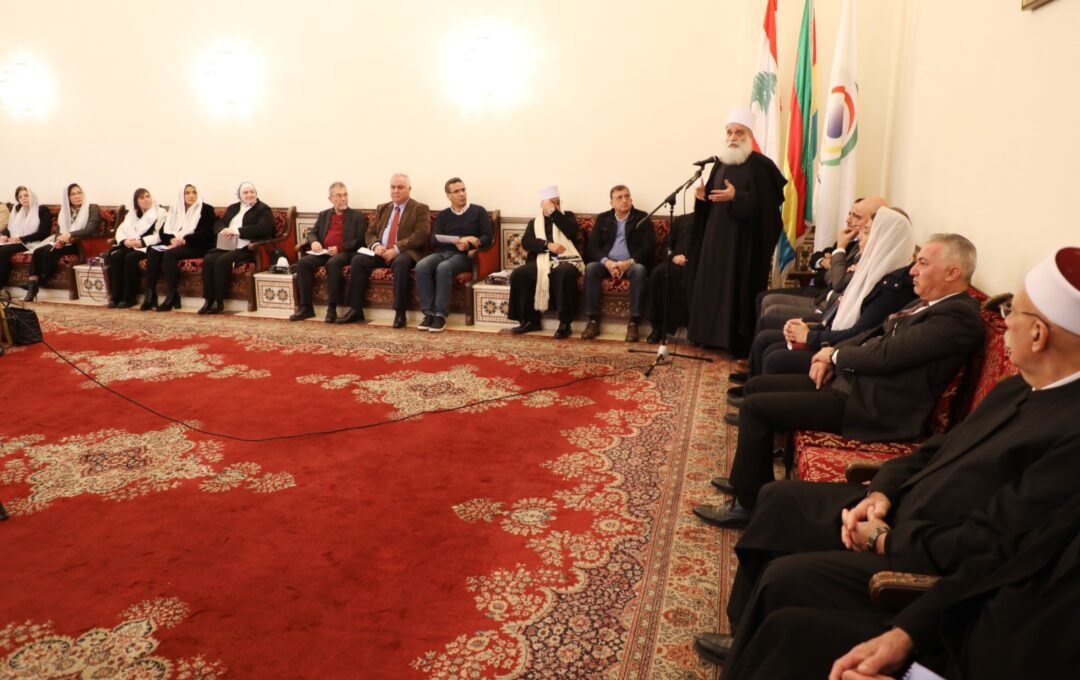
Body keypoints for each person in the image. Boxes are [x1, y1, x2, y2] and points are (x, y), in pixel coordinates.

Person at [693, 246, 1080, 670]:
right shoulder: (1017, 388)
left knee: (783, 582)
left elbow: (992, 541)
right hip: (896, 507)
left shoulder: (1069, 434)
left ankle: (749, 646)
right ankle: (743, 631)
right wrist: (881, 492)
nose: (1004, 321)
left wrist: (883, 539)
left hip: (917, 548)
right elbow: (936, 450)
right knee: (778, 500)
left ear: (1039, 335)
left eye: (1012, 311)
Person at [696, 233, 983, 529]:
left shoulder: (957, 318)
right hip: (857, 387)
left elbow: (887, 356)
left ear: (952, 272)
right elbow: (873, 333)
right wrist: (828, 353)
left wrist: (835, 357)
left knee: (755, 407)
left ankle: (748, 506)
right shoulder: (931, 303)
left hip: (874, 407)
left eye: (922, 263)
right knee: (757, 388)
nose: (912, 270)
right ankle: (746, 481)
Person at [724, 494, 1080, 680]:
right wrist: (907, 632)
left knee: (786, 580)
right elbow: (999, 558)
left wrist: (884, 540)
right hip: (954, 638)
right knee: (787, 631)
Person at [742, 207, 916, 381]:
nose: (860, 237)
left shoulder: (892, 288)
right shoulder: (874, 270)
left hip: (844, 355)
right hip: (831, 330)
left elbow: (859, 333)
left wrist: (810, 335)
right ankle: (754, 387)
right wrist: (812, 328)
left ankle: (756, 390)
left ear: (884, 239)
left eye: (867, 232)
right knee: (771, 343)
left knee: (775, 355)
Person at [686, 108, 786, 355]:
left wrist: (738, 197)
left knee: (736, 288)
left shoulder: (762, 166)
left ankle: (734, 341)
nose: (732, 137)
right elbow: (711, 201)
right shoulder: (720, 163)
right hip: (714, 240)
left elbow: (769, 209)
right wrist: (702, 198)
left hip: (743, 244)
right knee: (711, 284)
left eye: (739, 132)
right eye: (729, 132)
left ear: (749, 135)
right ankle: (706, 336)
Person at [337, 173, 430, 328]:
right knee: (358, 260)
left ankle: (400, 313)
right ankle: (356, 309)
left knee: (401, 263)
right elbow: (370, 233)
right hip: (381, 252)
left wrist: (396, 248)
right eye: (393, 187)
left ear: (409, 189)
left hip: (405, 252)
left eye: (400, 187)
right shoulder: (383, 208)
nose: (396, 191)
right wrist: (376, 246)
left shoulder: (420, 208)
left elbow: (421, 234)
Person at [415, 177, 492, 332]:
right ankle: (428, 313)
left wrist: (470, 243)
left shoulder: (479, 211)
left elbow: (487, 238)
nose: (461, 194)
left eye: (463, 190)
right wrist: (459, 240)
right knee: (421, 266)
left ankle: (440, 315)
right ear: (448, 195)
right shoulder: (443, 215)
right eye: (456, 191)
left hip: (464, 256)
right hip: (443, 252)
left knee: (444, 267)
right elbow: (434, 239)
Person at [581, 185, 655, 342]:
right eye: (619, 197)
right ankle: (593, 321)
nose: (624, 200)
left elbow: (648, 247)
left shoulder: (642, 218)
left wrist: (629, 262)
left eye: (627, 196)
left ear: (631, 199)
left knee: (639, 270)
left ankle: (634, 323)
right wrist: (607, 262)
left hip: (631, 263)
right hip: (607, 263)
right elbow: (592, 246)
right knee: (591, 268)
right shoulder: (603, 218)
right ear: (612, 203)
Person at [507, 185, 583, 339]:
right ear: (542, 205)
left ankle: (565, 323)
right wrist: (547, 245)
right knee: (519, 274)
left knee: (563, 273)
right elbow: (527, 242)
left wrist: (553, 212)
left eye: (557, 202)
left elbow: (571, 231)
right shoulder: (534, 222)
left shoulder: (567, 216)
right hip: (543, 260)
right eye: (551, 203)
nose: (555, 205)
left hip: (567, 259)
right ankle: (530, 320)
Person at [291, 182, 368, 322]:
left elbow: (360, 240)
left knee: (333, 263)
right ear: (330, 198)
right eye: (339, 195)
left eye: (345, 195)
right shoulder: (324, 215)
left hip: (346, 253)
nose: (343, 199)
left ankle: (332, 308)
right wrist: (314, 242)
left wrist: (340, 248)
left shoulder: (357, 216)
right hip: (324, 252)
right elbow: (312, 233)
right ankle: (306, 308)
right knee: (303, 263)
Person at [199, 182, 274, 315]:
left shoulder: (263, 209)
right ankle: (208, 300)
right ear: (239, 195)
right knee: (209, 259)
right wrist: (223, 230)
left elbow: (263, 228)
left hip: (248, 247)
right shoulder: (233, 208)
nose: (249, 195)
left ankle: (219, 301)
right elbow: (218, 223)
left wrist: (236, 231)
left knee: (222, 261)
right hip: (228, 245)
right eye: (245, 192)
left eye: (252, 192)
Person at [145, 184, 216, 312]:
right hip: (176, 244)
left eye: (194, 192)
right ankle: (151, 295)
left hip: (198, 246)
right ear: (181, 195)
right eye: (187, 193)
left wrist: (185, 240)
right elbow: (163, 232)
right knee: (153, 251)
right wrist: (171, 239)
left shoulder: (206, 209)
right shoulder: (175, 208)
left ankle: (172, 295)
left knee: (169, 254)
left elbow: (207, 233)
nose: (191, 196)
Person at [24, 183, 101, 301]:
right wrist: (59, 241)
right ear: (67, 198)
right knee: (38, 251)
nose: (77, 196)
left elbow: (90, 229)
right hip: (66, 243)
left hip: (82, 243)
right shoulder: (65, 211)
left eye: (79, 193)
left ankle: (39, 281)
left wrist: (70, 235)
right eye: (73, 194)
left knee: (51, 252)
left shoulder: (92, 208)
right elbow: (59, 231)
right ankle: (32, 282)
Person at [107, 188, 166, 308]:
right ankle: (116, 297)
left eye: (147, 196)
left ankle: (129, 298)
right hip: (131, 245)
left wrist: (142, 242)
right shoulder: (132, 214)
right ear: (136, 202)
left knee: (131, 257)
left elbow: (160, 235)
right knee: (115, 257)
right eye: (142, 198)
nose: (146, 200)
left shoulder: (160, 212)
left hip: (148, 246)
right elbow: (121, 230)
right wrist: (125, 241)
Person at [647, 213, 694, 344]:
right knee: (658, 274)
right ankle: (658, 328)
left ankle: (695, 331)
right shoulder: (682, 220)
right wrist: (673, 257)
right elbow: (665, 247)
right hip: (676, 263)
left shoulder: (713, 222)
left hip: (700, 265)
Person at [0, 186, 52, 290]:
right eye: (20, 197)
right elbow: (11, 229)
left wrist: (21, 239)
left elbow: (43, 233)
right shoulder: (19, 212)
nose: (23, 199)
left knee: (4, 250)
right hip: (18, 241)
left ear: (32, 196)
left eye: (26, 195)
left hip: (34, 242)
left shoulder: (42, 210)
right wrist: (5, 236)